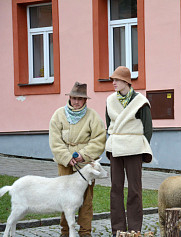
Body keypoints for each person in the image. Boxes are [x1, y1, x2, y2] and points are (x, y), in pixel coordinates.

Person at [49, 82, 106, 237]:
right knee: (65, 198)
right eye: (74, 98)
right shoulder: (59, 115)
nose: (76, 101)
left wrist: (84, 155)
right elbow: (55, 141)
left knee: (86, 200)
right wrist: (66, 157)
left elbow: (99, 139)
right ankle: (66, 231)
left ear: (85, 101)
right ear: (70, 98)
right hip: (65, 164)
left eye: (80, 99)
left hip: (86, 165)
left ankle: (85, 232)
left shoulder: (93, 116)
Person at [105, 66, 153, 236]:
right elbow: (109, 125)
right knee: (115, 188)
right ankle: (117, 229)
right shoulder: (110, 100)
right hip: (116, 149)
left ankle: (134, 229)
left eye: (116, 80)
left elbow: (148, 129)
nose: (113, 83)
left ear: (126, 82)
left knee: (134, 189)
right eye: (113, 80)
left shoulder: (140, 101)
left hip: (134, 149)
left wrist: (139, 146)